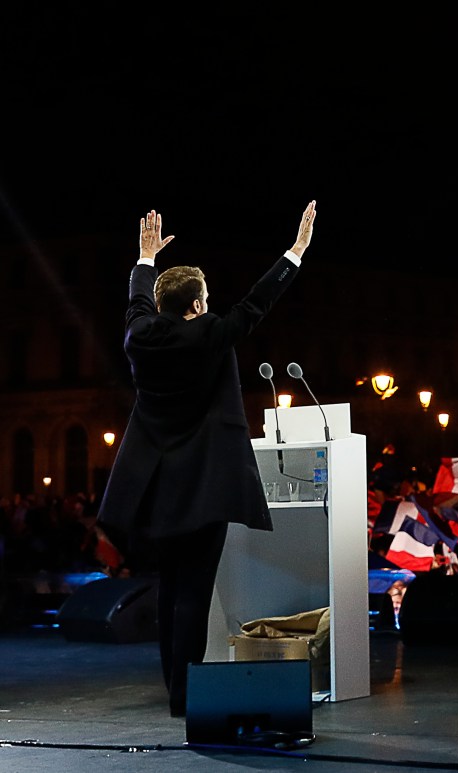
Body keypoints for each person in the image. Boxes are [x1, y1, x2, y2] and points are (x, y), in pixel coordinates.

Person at [97, 201, 316, 717]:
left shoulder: (140, 336)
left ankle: (175, 685)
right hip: (208, 487)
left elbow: (135, 303)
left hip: (158, 489)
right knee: (194, 591)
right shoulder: (211, 334)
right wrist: (296, 251)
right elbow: (257, 304)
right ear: (196, 304)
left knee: (171, 587)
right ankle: (183, 697)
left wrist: (145, 258)